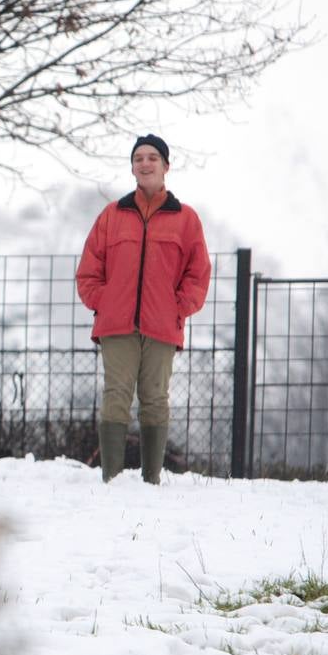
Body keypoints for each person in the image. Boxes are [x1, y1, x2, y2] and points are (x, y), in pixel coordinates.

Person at [76, 134, 212, 485]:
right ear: (132, 167)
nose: (146, 163)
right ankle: (112, 480)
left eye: (153, 157)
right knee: (116, 395)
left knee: (155, 398)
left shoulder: (186, 219)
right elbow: (89, 271)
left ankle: (151, 481)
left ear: (166, 166)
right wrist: (104, 302)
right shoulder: (111, 215)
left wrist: (177, 307)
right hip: (116, 324)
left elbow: (198, 274)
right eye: (139, 158)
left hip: (163, 325)